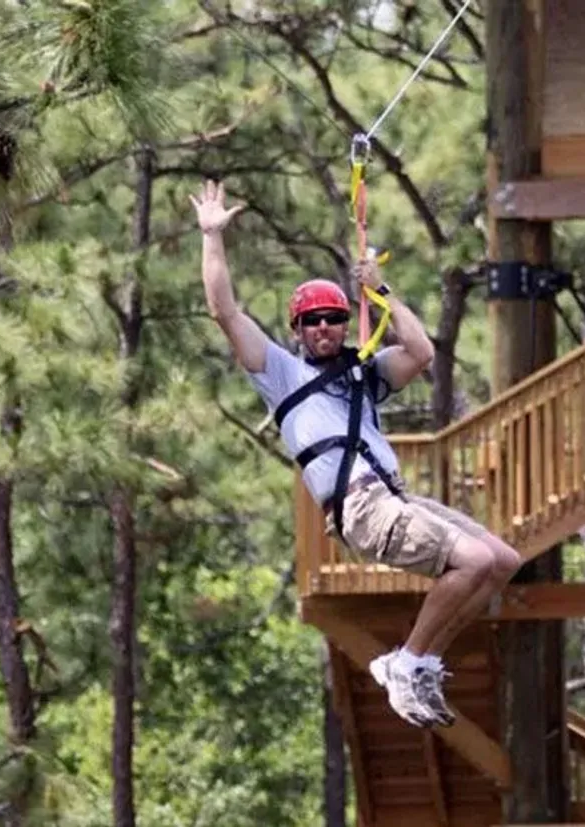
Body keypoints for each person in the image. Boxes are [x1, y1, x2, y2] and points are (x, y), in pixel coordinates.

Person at [191, 179, 522, 728]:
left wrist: (383, 292)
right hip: (359, 507)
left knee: (504, 562)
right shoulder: (280, 374)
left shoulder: (363, 374)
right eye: (313, 321)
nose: (325, 328)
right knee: (476, 561)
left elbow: (420, 352)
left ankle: (417, 661)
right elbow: (223, 310)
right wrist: (212, 237)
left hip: (393, 496)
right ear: (297, 330)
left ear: (346, 324)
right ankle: (408, 661)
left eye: (334, 318)